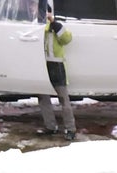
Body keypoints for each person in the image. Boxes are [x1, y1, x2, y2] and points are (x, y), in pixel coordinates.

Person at [37, 4, 76, 140]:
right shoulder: (35, 28)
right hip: (41, 67)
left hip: (56, 67)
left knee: (63, 100)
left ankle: (70, 129)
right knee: (43, 99)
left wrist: (53, 22)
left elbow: (67, 39)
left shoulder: (55, 26)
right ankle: (50, 126)